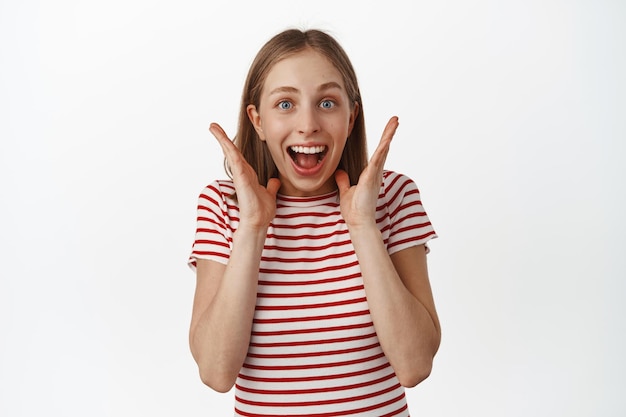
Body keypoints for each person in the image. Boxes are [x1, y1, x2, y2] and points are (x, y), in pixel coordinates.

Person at [187, 28, 441, 416]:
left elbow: (415, 365)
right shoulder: (224, 206)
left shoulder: (393, 197)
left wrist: (362, 226)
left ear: (351, 116)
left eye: (326, 102)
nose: (308, 124)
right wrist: (253, 228)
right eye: (285, 104)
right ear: (257, 120)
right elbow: (216, 373)